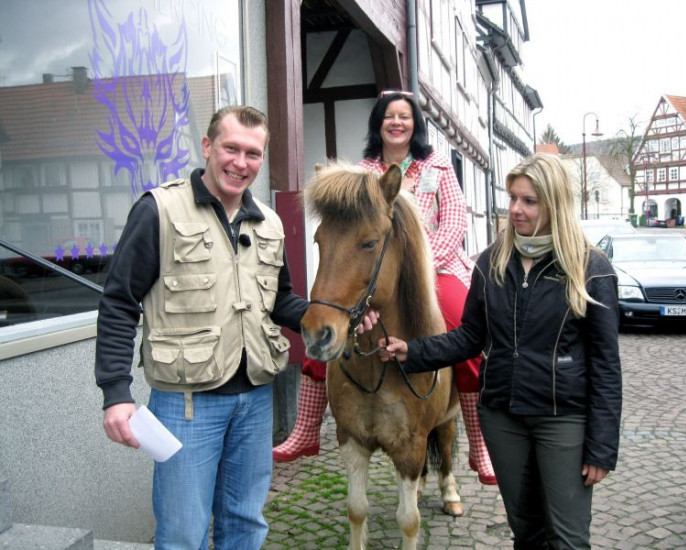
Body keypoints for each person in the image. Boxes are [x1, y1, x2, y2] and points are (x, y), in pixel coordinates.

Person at [94, 106, 379, 549]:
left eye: (252, 153)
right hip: (186, 404)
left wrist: (338, 316)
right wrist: (116, 392)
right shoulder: (159, 211)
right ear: (207, 147)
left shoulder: (269, 222)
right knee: (183, 533)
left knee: (246, 523)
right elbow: (118, 302)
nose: (240, 163)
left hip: (255, 400)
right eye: (231, 148)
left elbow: (279, 300)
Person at [378, 153, 622, 549]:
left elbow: (606, 365)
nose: (516, 209)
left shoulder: (590, 268)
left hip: (562, 419)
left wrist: (602, 448)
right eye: (513, 198)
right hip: (503, 417)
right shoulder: (493, 260)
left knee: (568, 538)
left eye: (529, 201)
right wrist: (413, 351)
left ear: (555, 204)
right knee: (526, 532)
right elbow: (470, 337)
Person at [273, 90, 497, 487]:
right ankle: (306, 427)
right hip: (376, 272)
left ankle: (479, 443)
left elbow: (454, 221)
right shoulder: (362, 171)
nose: (396, 122)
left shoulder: (437, 166)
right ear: (378, 123)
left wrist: (424, 266)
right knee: (326, 321)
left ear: (415, 124)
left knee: (461, 325)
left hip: (436, 267)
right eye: (389, 116)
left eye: (404, 116)